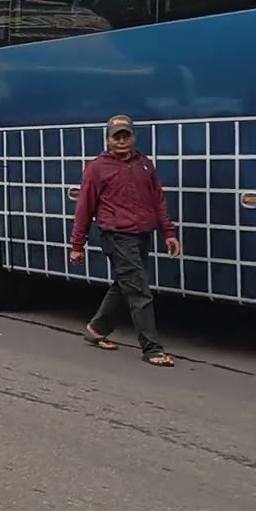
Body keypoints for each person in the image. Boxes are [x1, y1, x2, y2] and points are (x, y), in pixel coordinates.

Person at [70, 114, 181, 367]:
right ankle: (152, 349)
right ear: (108, 140)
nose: (121, 141)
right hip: (116, 235)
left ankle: (97, 329)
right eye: (116, 137)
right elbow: (84, 208)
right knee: (139, 291)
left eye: (126, 136)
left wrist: (169, 233)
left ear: (133, 137)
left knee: (125, 283)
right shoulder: (97, 168)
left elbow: (158, 200)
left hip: (142, 233)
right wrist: (77, 245)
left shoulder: (144, 164)